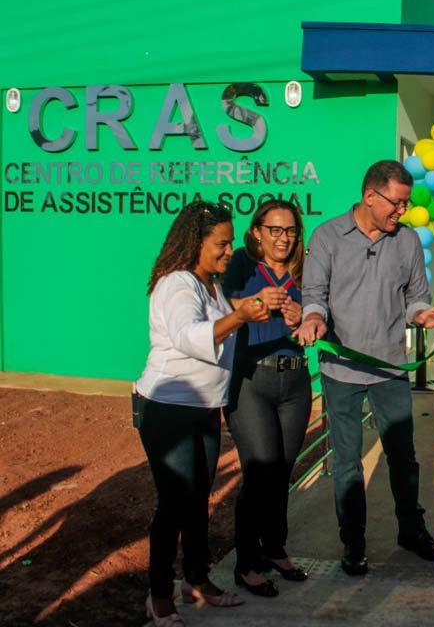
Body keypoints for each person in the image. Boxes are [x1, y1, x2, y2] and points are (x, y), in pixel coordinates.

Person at [292, 160, 434, 576]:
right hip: (340, 371)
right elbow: (314, 293)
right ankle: (354, 543)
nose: (402, 212)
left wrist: (422, 315)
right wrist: (312, 318)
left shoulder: (408, 241)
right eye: (397, 204)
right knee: (347, 461)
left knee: (403, 457)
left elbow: (416, 295)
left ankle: (411, 531)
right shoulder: (327, 237)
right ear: (370, 196)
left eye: (405, 204)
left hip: (390, 368)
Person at [136, 202, 269, 626]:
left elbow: (221, 332)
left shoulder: (208, 283)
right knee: (174, 504)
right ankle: (159, 594)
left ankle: (197, 578)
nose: (230, 251)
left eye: (230, 243)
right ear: (196, 242)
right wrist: (239, 316)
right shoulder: (177, 284)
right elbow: (190, 337)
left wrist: (253, 311)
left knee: (197, 502)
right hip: (167, 408)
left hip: (202, 408)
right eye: (222, 243)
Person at [222, 200, 311, 597]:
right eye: (274, 230)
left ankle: (274, 549)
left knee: (282, 471)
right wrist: (252, 305)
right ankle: (245, 563)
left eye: (290, 231)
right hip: (250, 379)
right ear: (257, 231)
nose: (283, 238)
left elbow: (320, 316)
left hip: (294, 381)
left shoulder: (304, 269)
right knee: (259, 470)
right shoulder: (240, 262)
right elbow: (218, 305)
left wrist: (302, 319)